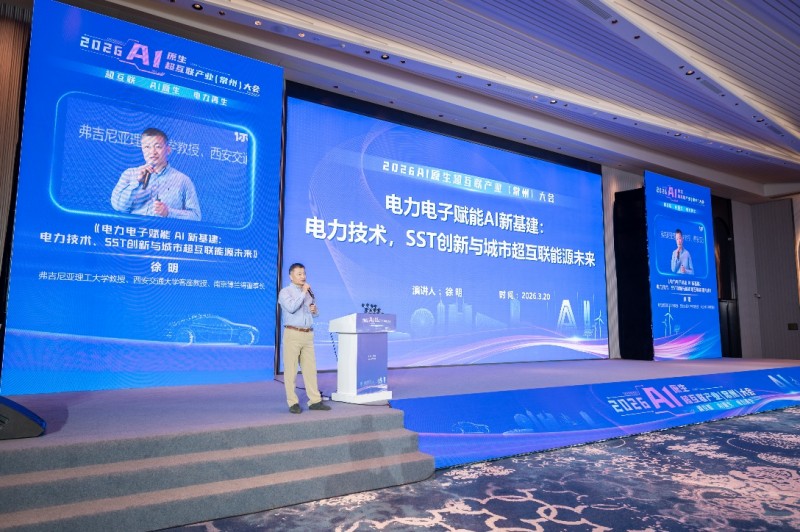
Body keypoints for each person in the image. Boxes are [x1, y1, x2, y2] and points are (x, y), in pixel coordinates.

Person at [111, 128, 201, 221]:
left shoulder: (183, 180)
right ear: (142, 150)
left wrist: (169, 212)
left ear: (168, 150)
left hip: (164, 230)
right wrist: (136, 182)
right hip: (135, 228)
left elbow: (196, 216)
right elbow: (118, 207)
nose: (152, 152)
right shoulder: (130, 174)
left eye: (158, 147)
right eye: (147, 147)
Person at [278, 263, 331, 414]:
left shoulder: (308, 293)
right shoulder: (285, 292)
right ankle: (292, 402)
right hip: (293, 334)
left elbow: (314, 313)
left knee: (310, 370)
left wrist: (314, 311)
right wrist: (303, 292)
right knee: (291, 370)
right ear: (291, 276)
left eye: (304, 273)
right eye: (299, 274)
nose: (303, 276)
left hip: (308, 334)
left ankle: (315, 401)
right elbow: (291, 308)